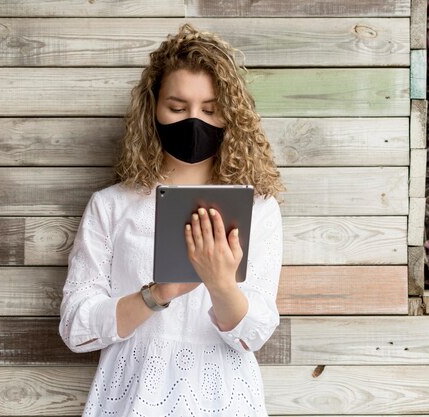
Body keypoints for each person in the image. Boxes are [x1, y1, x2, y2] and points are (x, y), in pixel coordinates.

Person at [58, 23, 285, 416]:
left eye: (210, 110)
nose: (193, 122)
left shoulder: (259, 209)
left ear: (230, 116)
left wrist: (219, 283)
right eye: (177, 108)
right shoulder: (111, 206)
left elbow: (254, 334)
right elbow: (77, 329)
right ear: (154, 109)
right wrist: (158, 293)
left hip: (223, 398)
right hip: (131, 398)